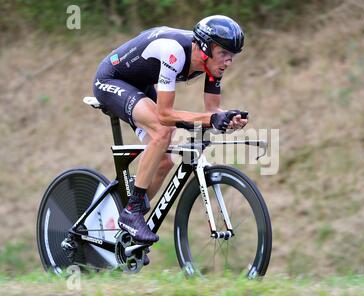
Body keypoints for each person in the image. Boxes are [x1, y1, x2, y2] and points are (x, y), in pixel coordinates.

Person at [92, 15, 248, 247]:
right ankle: (132, 211)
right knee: (163, 132)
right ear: (205, 47)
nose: (228, 61)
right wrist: (210, 118)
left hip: (141, 83)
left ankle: (123, 222)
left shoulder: (213, 63)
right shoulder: (175, 52)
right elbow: (165, 114)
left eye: (232, 56)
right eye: (224, 53)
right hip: (112, 79)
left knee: (165, 160)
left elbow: (212, 109)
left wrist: (226, 119)